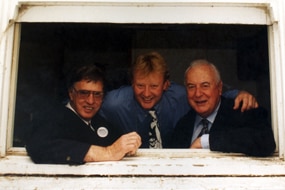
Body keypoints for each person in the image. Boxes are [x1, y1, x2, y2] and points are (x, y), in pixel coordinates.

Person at [100, 51, 258, 148]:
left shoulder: (183, 96)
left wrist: (239, 94)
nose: (146, 93)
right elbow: (89, 105)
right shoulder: (114, 103)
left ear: (166, 85)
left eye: (154, 86)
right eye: (140, 85)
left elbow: (211, 92)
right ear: (132, 84)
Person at [26, 64, 141, 165]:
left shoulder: (103, 124)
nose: (90, 101)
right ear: (71, 94)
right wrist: (108, 152)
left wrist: (130, 144)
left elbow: (119, 147)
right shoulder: (52, 118)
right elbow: (38, 147)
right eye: (84, 93)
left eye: (97, 94)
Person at [170, 59, 276, 156]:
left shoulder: (242, 111)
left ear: (219, 88)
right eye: (191, 87)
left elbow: (266, 141)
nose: (198, 94)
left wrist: (206, 141)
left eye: (205, 86)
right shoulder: (182, 125)